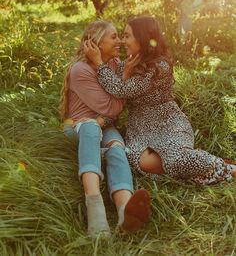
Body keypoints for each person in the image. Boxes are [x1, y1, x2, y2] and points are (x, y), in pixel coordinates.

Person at [84, 16, 236, 185]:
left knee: (176, 159)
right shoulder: (128, 63)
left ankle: (227, 169)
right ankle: (210, 166)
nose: (123, 41)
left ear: (142, 38)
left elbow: (121, 89)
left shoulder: (159, 67)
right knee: (139, 161)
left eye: (127, 36)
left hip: (168, 123)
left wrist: (99, 63)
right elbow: (115, 91)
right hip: (140, 129)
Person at [60, 20, 150, 239]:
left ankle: (125, 212)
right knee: (91, 127)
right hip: (78, 129)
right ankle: (95, 210)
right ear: (97, 43)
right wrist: (109, 111)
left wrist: (107, 116)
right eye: (113, 37)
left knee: (117, 147)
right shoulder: (80, 70)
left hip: (105, 126)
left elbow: (113, 108)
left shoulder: (113, 64)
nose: (119, 41)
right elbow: (112, 106)